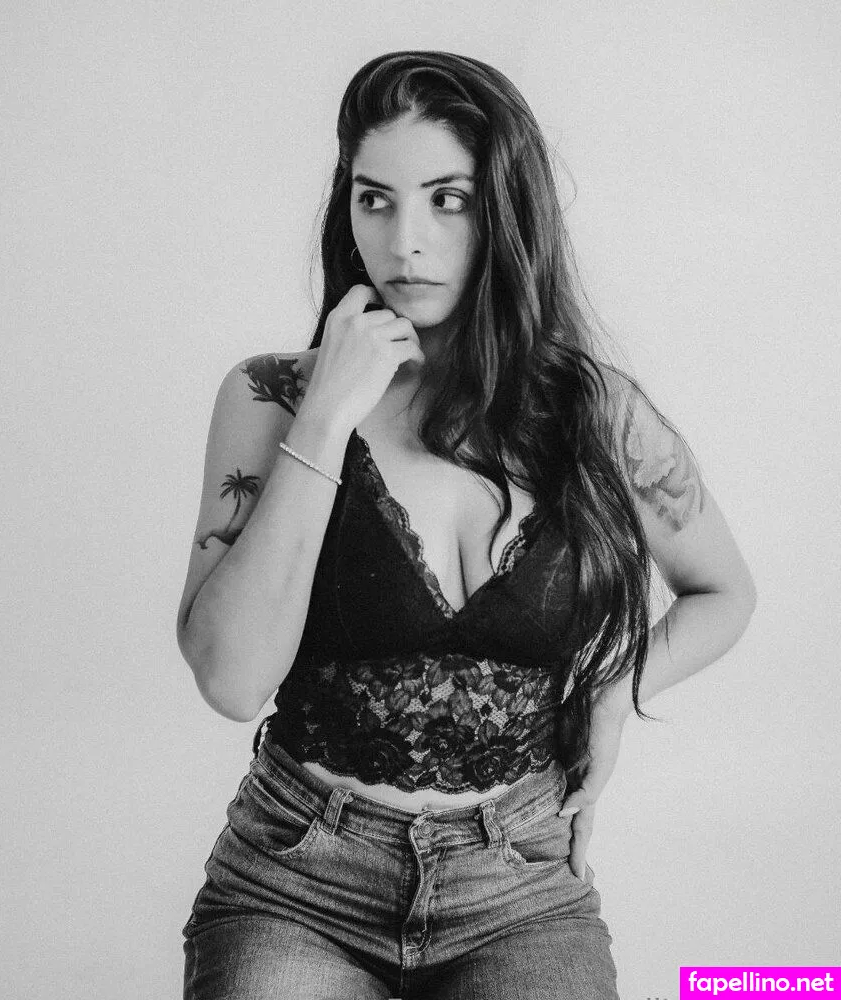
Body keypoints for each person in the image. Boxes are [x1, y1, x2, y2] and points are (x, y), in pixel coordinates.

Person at [176, 50, 757, 1000]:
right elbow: (233, 683)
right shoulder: (271, 395)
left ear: (506, 213)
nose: (404, 242)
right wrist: (326, 417)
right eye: (375, 200)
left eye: (448, 200)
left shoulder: (594, 412)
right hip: (297, 879)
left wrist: (614, 689)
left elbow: (724, 591)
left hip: (519, 882)